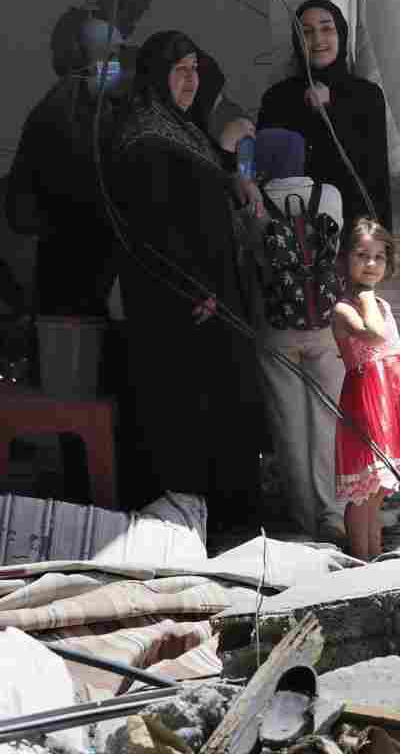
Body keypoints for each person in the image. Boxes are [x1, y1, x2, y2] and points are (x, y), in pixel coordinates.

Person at [109, 29, 265, 531]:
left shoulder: (184, 130)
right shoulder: (143, 137)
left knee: (223, 411)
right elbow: (154, 227)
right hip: (181, 306)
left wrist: (232, 172)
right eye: (180, 69)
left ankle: (226, 522)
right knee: (186, 415)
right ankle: (186, 526)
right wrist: (190, 287)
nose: (191, 79)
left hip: (214, 298)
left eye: (195, 68)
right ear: (157, 75)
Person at [246, 128, 347, 543]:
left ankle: (306, 523)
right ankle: (334, 515)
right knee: (329, 421)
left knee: (290, 425)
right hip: (325, 324)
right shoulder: (331, 196)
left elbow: (250, 257)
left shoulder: (253, 202)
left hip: (276, 327)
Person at [6, 8, 125, 317]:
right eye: (111, 56)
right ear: (82, 60)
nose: (120, 67)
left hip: (81, 280)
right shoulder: (62, 114)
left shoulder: (99, 110)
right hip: (78, 288)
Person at [332, 218, 400, 560]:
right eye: (362, 255)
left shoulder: (383, 306)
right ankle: (360, 559)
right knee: (363, 491)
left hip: (391, 401)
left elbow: (397, 353)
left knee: (378, 490)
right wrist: (368, 298)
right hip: (366, 403)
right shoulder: (345, 309)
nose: (371, 264)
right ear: (345, 259)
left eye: (379, 257)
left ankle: (374, 557)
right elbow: (374, 335)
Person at [258, 0, 392, 229]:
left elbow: (375, 176)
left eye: (326, 28)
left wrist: (332, 109)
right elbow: (262, 170)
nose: (318, 40)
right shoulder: (277, 98)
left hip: (353, 235)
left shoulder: (367, 96)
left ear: (340, 34)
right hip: (292, 239)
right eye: (307, 32)